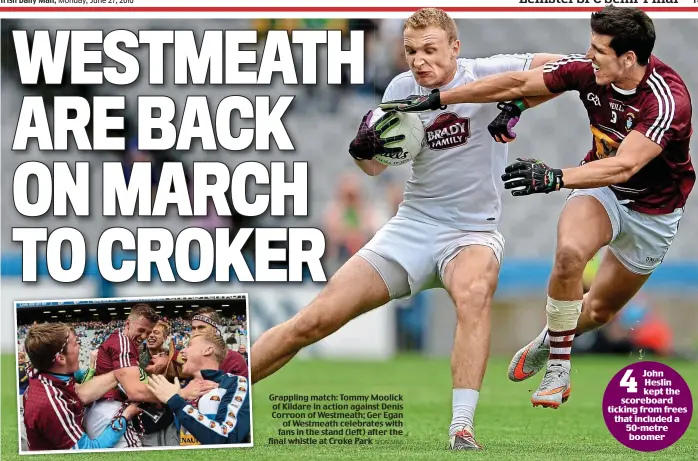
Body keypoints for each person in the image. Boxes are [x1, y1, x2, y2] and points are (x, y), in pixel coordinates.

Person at [249, 7, 561, 449]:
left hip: (471, 233)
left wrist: (514, 100)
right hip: (413, 226)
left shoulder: (486, 72)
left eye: (430, 50)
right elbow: (374, 167)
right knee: (314, 320)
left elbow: (565, 69)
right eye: (411, 51)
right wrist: (361, 150)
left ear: (455, 47)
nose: (419, 60)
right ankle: (217, 389)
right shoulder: (400, 89)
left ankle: (461, 428)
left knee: (473, 297)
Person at [380, 5, 694, 408]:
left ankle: (550, 338)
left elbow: (625, 165)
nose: (588, 54)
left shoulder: (667, 102)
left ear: (628, 59)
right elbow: (516, 81)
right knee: (569, 254)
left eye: (598, 48)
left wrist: (553, 177)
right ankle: (558, 371)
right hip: (602, 192)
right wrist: (442, 99)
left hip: (655, 212)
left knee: (598, 310)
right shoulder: (592, 69)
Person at [22, 323, 141, 451]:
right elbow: (89, 449)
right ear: (61, 358)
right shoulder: (51, 404)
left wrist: (123, 370)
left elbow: (80, 391)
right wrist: (125, 416)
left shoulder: (47, 372)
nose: (80, 346)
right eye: (75, 343)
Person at [146, 332, 251, 445]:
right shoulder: (181, 388)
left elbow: (226, 438)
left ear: (207, 350)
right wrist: (179, 396)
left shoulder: (235, 383)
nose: (182, 351)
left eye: (189, 345)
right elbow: (147, 427)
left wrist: (176, 401)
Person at [174, 307, 249, 379]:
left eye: (201, 327)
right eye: (193, 328)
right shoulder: (185, 355)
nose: (196, 332)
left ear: (215, 329)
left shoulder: (234, 359)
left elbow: (241, 389)